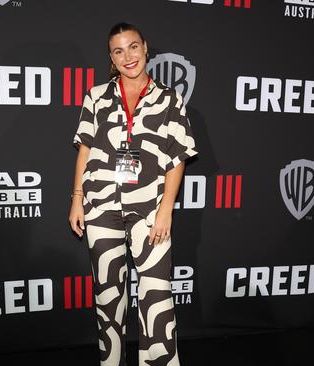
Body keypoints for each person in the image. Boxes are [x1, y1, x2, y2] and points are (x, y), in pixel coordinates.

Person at [68, 22, 198, 366]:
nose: (128, 56)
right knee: (108, 296)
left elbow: (178, 158)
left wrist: (166, 210)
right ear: (111, 57)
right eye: (118, 50)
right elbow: (85, 149)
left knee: (156, 295)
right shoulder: (96, 96)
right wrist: (77, 198)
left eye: (133, 47)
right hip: (101, 206)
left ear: (145, 47)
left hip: (149, 208)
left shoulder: (169, 98)